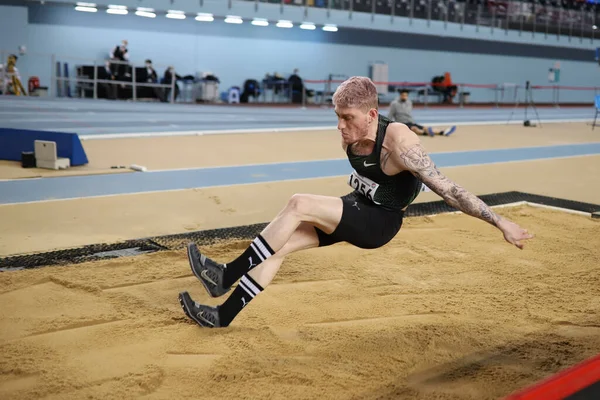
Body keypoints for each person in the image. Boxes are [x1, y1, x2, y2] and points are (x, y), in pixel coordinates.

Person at [178, 76, 533, 328]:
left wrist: (499, 222)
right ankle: (223, 315)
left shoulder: (401, 143)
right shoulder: (349, 137)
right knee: (279, 248)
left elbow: (448, 189)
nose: (340, 127)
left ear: (372, 115)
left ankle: (226, 274)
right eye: (337, 117)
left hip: (379, 224)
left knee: (298, 202)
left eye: (347, 118)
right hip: (356, 206)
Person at [388, 89, 456, 137]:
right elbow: (390, 115)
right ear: (400, 95)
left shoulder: (409, 102)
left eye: (406, 95)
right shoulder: (394, 103)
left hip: (410, 122)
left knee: (425, 127)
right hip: (402, 124)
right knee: (414, 129)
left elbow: (409, 113)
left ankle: (443, 132)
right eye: (403, 95)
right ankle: (426, 133)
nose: (404, 97)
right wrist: (389, 126)